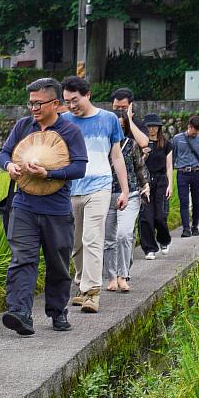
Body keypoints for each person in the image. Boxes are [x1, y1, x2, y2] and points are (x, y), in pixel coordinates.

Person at [0, 78, 87, 336]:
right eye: (31, 103)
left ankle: (58, 311)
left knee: (57, 262)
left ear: (56, 104)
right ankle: (20, 313)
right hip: (23, 205)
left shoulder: (70, 132)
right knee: (22, 259)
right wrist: (9, 166)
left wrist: (48, 173)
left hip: (56, 209)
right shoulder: (23, 126)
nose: (33, 108)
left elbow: (79, 167)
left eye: (38, 103)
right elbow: (4, 153)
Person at [61, 75, 129, 314]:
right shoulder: (64, 121)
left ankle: (92, 292)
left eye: (75, 100)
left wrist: (125, 189)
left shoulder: (108, 119)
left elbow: (117, 156)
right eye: (67, 101)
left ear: (87, 94)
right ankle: (81, 286)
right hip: (71, 189)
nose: (71, 105)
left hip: (99, 186)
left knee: (92, 238)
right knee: (76, 242)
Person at [104, 104, 149, 292]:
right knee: (108, 239)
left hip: (129, 194)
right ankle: (111, 277)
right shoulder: (102, 144)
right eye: (116, 127)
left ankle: (123, 275)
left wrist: (145, 184)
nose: (119, 130)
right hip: (105, 194)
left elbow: (139, 167)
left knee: (124, 234)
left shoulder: (131, 145)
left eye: (122, 127)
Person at [139, 114, 173, 259]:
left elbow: (169, 166)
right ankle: (149, 248)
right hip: (145, 181)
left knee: (160, 215)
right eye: (149, 126)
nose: (152, 129)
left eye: (155, 126)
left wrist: (170, 185)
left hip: (161, 180)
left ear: (159, 128)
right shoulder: (141, 144)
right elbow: (137, 164)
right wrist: (144, 155)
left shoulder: (166, 144)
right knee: (146, 217)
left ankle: (164, 240)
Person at [171, 116, 199, 237]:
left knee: (197, 201)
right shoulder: (177, 139)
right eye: (196, 130)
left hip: (197, 173)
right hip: (182, 173)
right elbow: (172, 157)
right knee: (184, 201)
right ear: (189, 126)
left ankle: (195, 225)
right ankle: (186, 228)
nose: (197, 133)